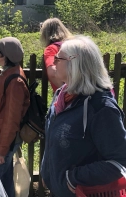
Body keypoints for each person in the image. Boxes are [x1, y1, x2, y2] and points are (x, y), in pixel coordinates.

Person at [40, 36, 126, 197]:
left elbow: (119, 162)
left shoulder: (102, 108)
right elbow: (54, 141)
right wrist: (48, 173)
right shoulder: (61, 96)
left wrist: (73, 178)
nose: (53, 62)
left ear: (76, 64)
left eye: (59, 58)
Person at [0, 37, 30, 197]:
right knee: (4, 181)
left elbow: (12, 120)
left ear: (4, 55)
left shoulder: (15, 81)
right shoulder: (7, 73)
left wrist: (1, 151)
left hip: (3, 140)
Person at [40, 18, 72, 92]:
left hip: (67, 97)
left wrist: (67, 93)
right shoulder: (75, 45)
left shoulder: (51, 49)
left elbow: (53, 73)